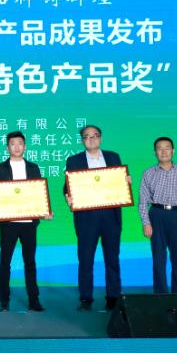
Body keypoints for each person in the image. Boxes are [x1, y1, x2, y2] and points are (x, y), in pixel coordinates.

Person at [64, 124, 127, 311]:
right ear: (82, 140)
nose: (91, 139)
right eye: (86, 136)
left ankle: (113, 296)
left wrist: (125, 181)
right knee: (85, 259)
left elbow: (119, 182)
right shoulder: (74, 160)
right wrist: (67, 195)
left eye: (94, 135)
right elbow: (67, 185)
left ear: (100, 138)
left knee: (112, 258)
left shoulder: (113, 157)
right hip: (86, 218)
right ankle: (86, 298)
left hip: (110, 216)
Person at [0, 131, 49, 312]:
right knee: (5, 262)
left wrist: (45, 210)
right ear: (7, 147)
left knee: (30, 262)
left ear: (25, 146)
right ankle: (4, 299)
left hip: (29, 223)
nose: (16, 147)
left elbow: (38, 193)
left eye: (20, 143)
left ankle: (34, 299)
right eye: (12, 144)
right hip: (8, 223)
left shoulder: (33, 168)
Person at [139, 137, 177, 294]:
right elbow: (143, 201)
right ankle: (160, 295)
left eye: (167, 148)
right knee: (158, 259)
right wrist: (146, 223)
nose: (164, 151)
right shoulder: (148, 173)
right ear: (155, 152)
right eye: (160, 148)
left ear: (173, 151)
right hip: (156, 215)